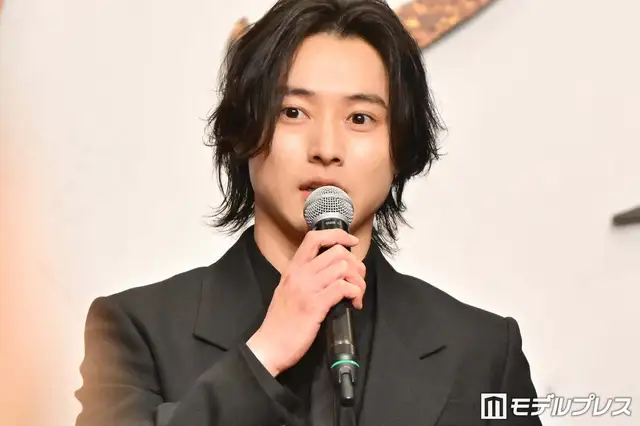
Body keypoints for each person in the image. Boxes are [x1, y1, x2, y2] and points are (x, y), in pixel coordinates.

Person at [75, 0, 542, 425]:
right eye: (294, 113)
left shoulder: (480, 351)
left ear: (401, 147)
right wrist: (263, 355)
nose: (326, 148)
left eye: (360, 118)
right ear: (245, 130)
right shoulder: (137, 330)